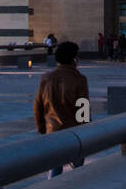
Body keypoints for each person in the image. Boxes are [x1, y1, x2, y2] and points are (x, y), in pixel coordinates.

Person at [33, 41, 89, 177]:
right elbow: (83, 109)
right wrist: (86, 130)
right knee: (77, 169)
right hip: (75, 132)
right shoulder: (79, 79)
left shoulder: (46, 78)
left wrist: (42, 128)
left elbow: (38, 106)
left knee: (55, 167)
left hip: (52, 131)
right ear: (74, 58)